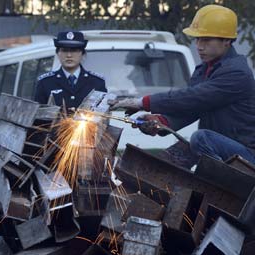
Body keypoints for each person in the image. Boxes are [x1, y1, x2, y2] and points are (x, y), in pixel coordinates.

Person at [109, 4, 255, 164]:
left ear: (226, 40)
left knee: (200, 138)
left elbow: (193, 98)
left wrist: (143, 102)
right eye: (197, 39)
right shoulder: (205, 69)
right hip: (220, 148)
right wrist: (161, 122)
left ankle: (217, 185)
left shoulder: (237, 73)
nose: (199, 46)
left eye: (206, 40)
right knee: (169, 160)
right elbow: (192, 108)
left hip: (245, 159)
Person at [35, 31, 107, 109]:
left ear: (82, 53)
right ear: (58, 53)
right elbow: (38, 116)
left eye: (74, 50)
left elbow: (103, 116)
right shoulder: (45, 82)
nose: (69, 55)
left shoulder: (97, 82)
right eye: (64, 50)